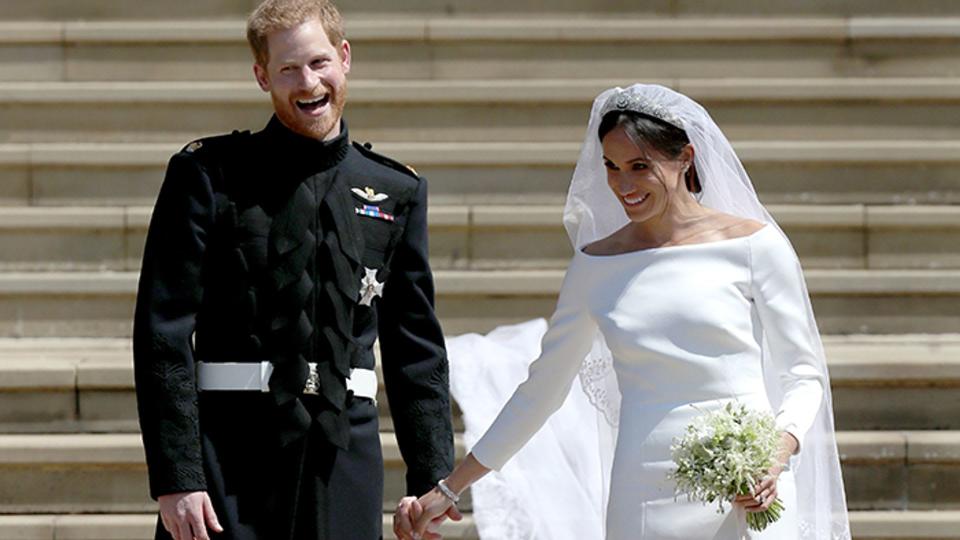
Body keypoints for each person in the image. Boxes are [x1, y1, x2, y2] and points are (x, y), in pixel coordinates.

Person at [394, 84, 850, 540]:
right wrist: (450, 490)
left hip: (751, 483)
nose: (623, 186)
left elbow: (803, 373)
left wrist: (775, 454)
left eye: (640, 167)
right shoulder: (595, 264)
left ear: (686, 158)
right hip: (646, 488)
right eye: (611, 167)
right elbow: (541, 391)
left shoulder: (755, 246)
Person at [133, 1, 457, 539]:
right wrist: (178, 476)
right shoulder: (206, 176)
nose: (308, 82)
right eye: (287, 69)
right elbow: (162, 334)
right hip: (228, 459)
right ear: (262, 76)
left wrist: (431, 478)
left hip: (344, 461)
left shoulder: (396, 190)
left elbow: (415, 349)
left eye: (318, 62)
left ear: (344, 58)